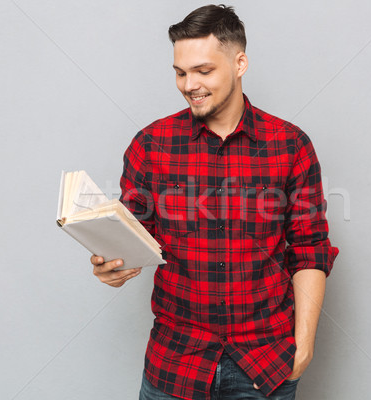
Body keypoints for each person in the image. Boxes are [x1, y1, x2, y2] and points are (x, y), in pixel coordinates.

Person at [90, 4, 339, 399]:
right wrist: (113, 266)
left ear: (239, 63)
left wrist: (303, 347)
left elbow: (310, 249)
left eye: (204, 71)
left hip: (266, 365)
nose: (190, 84)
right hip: (176, 365)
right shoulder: (151, 145)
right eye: (180, 72)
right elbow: (135, 240)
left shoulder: (290, 145)